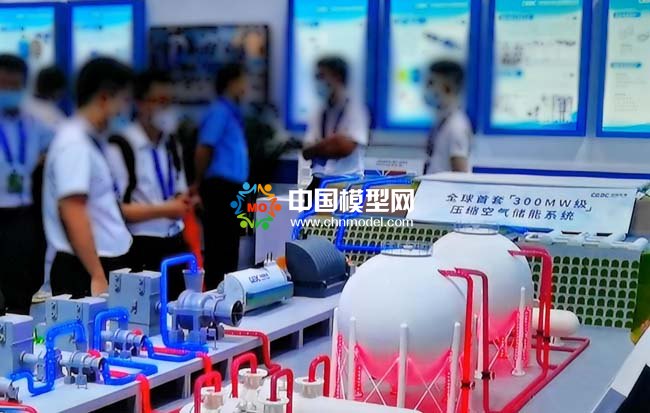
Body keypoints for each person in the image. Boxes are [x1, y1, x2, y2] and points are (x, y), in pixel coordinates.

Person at [43, 58, 134, 298]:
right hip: (85, 267)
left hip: (100, 261)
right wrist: (96, 274)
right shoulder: (74, 144)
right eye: (123, 100)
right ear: (104, 98)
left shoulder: (92, 141)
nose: (124, 110)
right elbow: (73, 210)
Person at [106, 70, 191, 300]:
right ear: (141, 103)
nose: (166, 109)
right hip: (141, 245)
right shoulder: (121, 145)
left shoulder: (170, 143)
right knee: (145, 313)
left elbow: (180, 190)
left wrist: (182, 203)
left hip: (175, 240)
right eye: (160, 101)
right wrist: (166, 209)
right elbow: (118, 210)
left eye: (170, 101)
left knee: (180, 308)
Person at [0, 54, 53, 314]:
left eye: (15, 85)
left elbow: (60, 141)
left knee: (22, 284)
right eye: (4, 85)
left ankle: (18, 327)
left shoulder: (33, 122)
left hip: (22, 214)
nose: (9, 91)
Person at [192, 63, 249, 290]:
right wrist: (199, 182)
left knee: (230, 243)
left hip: (232, 188)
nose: (246, 87)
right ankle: (216, 291)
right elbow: (204, 147)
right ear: (231, 83)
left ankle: (228, 290)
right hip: (219, 188)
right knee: (220, 244)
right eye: (242, 81)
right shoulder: (220, 111)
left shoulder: (233, 113)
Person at [24, 66, 68, 302]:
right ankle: (42, 283)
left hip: (30, 183)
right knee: (45, 234)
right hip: (41, 181)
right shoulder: (55, 117)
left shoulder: (26, 108)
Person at [302, 56, 369, 190]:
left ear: (337, 78)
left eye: (321, 76)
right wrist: (332, 142)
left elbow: (345, 148)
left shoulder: (355, 110)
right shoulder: (318, 112)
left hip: (346, 182)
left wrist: (320, 147)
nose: (318, 82)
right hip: (318, 181)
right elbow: (306, 151)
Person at [423, 60, 473, 174]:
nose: (426, 88)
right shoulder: (443, 122)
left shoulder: (456, 126)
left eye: (431, 83)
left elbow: (460, 173)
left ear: (447, 88)